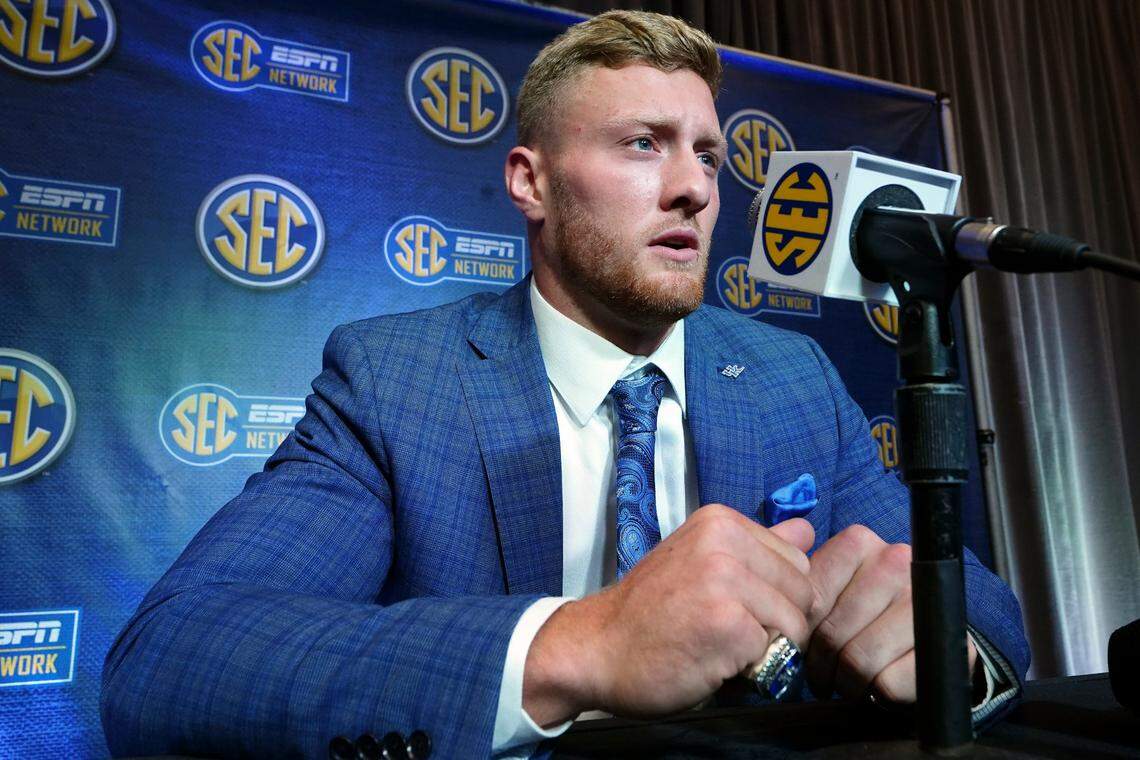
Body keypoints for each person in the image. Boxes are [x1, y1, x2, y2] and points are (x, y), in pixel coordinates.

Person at [101, 10, 1029, 759]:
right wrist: (586, 643)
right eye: (643, 144)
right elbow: (173, 659)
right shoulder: (395, 383)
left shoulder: (792, 377)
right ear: (530, 183)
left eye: (708, 154)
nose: (696, 189)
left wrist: (938, 645)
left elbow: (991, 618)